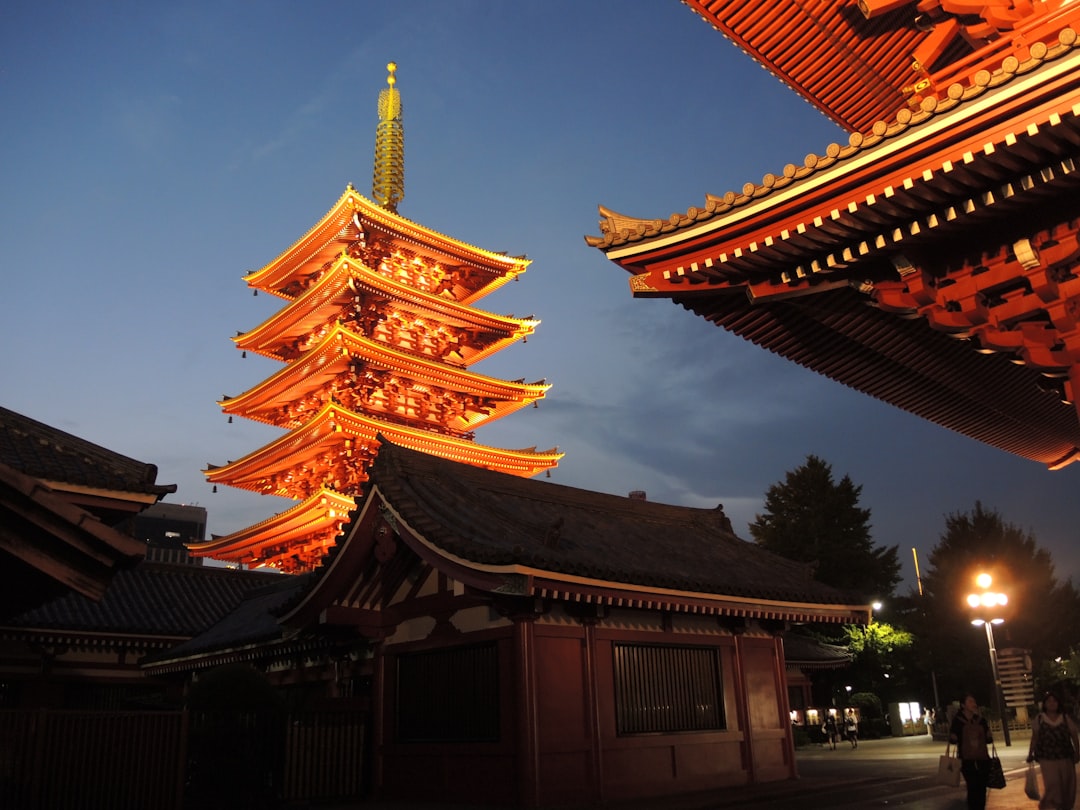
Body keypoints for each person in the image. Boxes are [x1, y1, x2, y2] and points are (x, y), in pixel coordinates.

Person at [1026, 691, 1080, 809]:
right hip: (1047, 758)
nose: (1052, 703)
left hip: (1065, 757)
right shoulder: (1040, 719)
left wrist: (1077, 752)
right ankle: (1049, 806)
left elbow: (1074, 735)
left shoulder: (1065, 718)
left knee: (1067, 786)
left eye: (1054, 701)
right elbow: (1035, 738)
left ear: (1058, 703)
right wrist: (1030, 753)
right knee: (1053, 785)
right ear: (1044, 704)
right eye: (1049, 701)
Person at [949, 694, 993, 810]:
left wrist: (988, 735)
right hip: (966, 760)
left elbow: (989, 740)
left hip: (983, 759)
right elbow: (953, 740)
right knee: (973, 787)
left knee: (982, 787)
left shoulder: (981, 720)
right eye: (970, 701)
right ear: (963, 705)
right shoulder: (957, 721)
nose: (973, 703)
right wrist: (954, 737)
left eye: (974, 701)